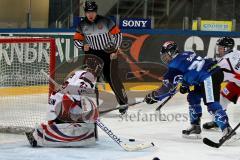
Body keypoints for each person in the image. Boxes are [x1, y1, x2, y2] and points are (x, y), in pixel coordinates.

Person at [144, 41, 233, 139]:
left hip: (208, 76)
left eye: (166, 56)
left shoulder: (174, 66)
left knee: (211, 103)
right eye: (163, 57)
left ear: (172, 52)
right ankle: (195, 126)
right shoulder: (187, 53)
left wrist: (154, 96)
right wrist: (185, 84)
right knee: (193, 97)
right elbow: (191, 70)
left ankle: (227, 129)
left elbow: (168, 89)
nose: (165, 59)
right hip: (209, 73)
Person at [25, 56, 103, 147]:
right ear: (96, 68)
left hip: (55, 99)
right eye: (99, 68)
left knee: (56, 121)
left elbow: (69, 86)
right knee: (82, 119)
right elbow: (75, 94)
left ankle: (45, 130)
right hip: (64, 102)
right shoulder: (90, 77)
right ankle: (42, 133)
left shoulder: (78, 72)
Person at [73, 1, 128, 114]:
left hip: (108, 53)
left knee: (113, 78)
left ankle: (123, 103)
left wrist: (115, 50)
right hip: (93, 54)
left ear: (96, 12)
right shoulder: (82, 25)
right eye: (88, 12)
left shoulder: (106, 21)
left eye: (92, 12)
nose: (90, 14)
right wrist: (83, 46)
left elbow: (118, 35)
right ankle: (92, 106)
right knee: (90, 80)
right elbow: (76, 41)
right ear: (85, 13)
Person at [203, 37, 240, 130]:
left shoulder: (225, 61)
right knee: (222, 96)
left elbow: (211, 71)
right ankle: (217, 121)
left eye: (220, 48)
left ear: (227, 48)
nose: (218, 50)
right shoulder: (236, 52)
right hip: (237, 84)